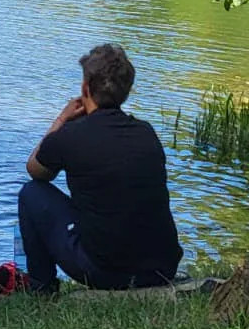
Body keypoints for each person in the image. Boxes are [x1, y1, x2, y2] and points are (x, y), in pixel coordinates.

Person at [19, 42, 182, 296]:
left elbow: (35, 170)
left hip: (105, 272)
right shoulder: (146, 133)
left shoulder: (71, 136)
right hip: (162, 268)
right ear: (126, 92)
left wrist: (61, 120)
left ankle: (42, 289)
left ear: (85, 88)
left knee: (31, 193)